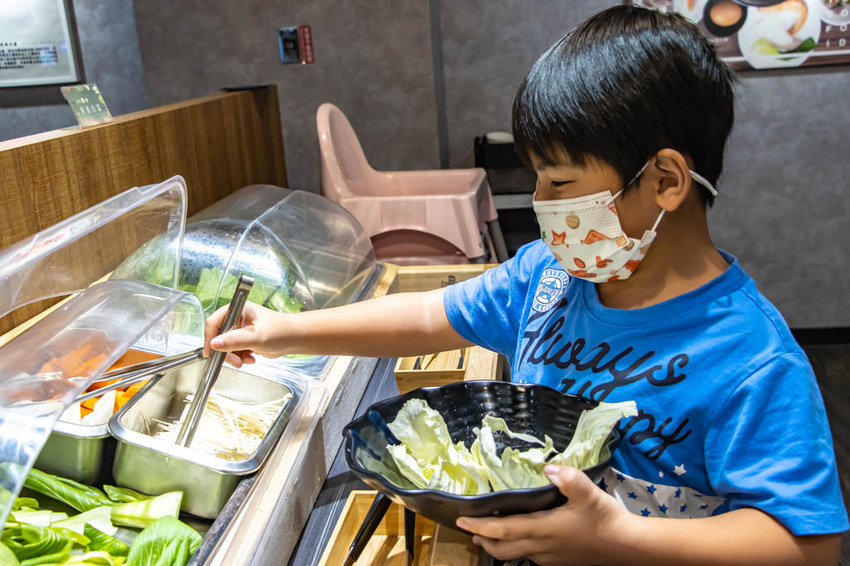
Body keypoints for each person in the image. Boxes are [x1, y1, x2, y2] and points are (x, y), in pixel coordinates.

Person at [203, 6, 847, 564]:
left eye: (560, 184)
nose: (541, 202)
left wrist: (618, 540)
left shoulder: (751, 360)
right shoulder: (547, 277)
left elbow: (806, 547)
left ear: (666, 181)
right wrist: (284, 330)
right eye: (538, 178)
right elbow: (431, 315)